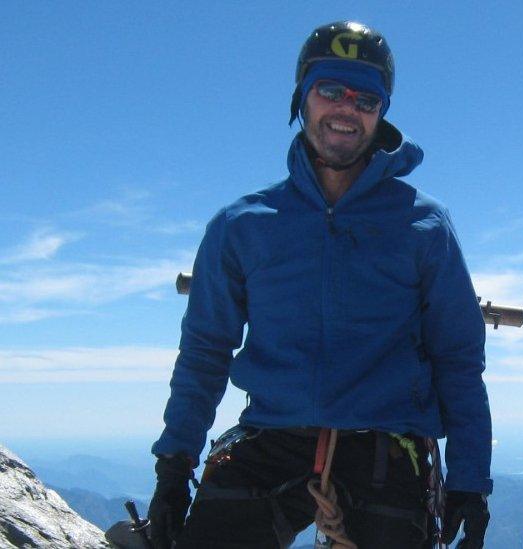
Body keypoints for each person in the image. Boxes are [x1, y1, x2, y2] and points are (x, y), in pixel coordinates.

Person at [148, 21, 491, 549]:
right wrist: (175, 464)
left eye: (367, 99)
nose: (347, 109)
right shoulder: (242, 225)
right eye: (331, 90)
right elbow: (205, 350)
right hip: (273, 434)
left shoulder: (424, 225)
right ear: (302, 98)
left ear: (382, 114)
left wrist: (470, 480)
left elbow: (459, 357)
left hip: (386, 440)